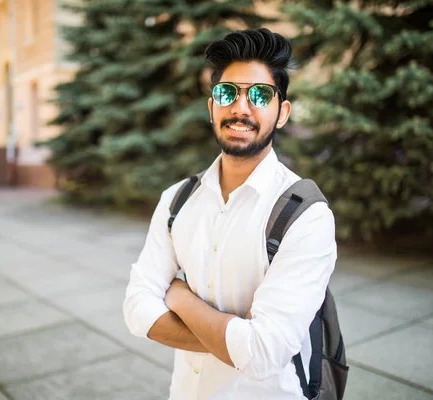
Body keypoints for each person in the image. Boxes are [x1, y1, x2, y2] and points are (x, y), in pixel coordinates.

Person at [123, 28, 337, 400]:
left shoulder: (305, 215)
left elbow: (264, 354)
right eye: (227, 93)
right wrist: (236, 343)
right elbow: (136, 310)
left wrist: (178, 296)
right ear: (211, 108)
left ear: (282, 112)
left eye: (260, 94)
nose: (241, 107)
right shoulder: (177, 200)